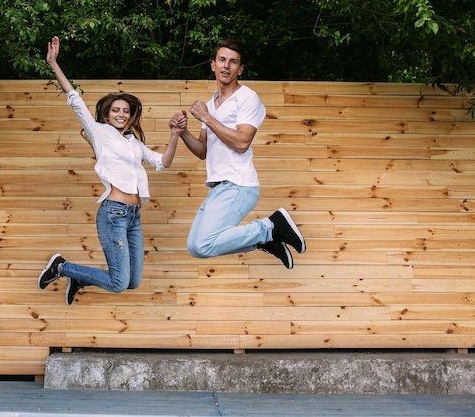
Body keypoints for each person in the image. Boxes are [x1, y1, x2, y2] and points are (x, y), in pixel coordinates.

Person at [38, 36, 182, 304]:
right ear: (107, 114)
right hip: (113, 214)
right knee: (118, 283)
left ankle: (79, 278)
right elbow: (75, 100)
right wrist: (54, 64)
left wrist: (175, 135)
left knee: (133, 281)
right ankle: (62, 267)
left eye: (126, 111)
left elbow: (163, 163)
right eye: (116, 110)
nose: (121, 114)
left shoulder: (135, 144)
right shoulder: (99, 131)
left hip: (134, 216)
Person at [170, 38, 305, 269]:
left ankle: (270, 227)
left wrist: (206, 118)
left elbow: (242, 142)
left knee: (204, 243)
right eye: (222, 60)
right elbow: (203, 151)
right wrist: (182, 133)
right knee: (195, 247)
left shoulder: (247, 97)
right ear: (212, 64)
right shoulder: (211, 104)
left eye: (233, 62)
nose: (226, 66)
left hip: (238, 184)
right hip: (217, 187)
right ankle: (266, 240)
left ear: (240, 69)